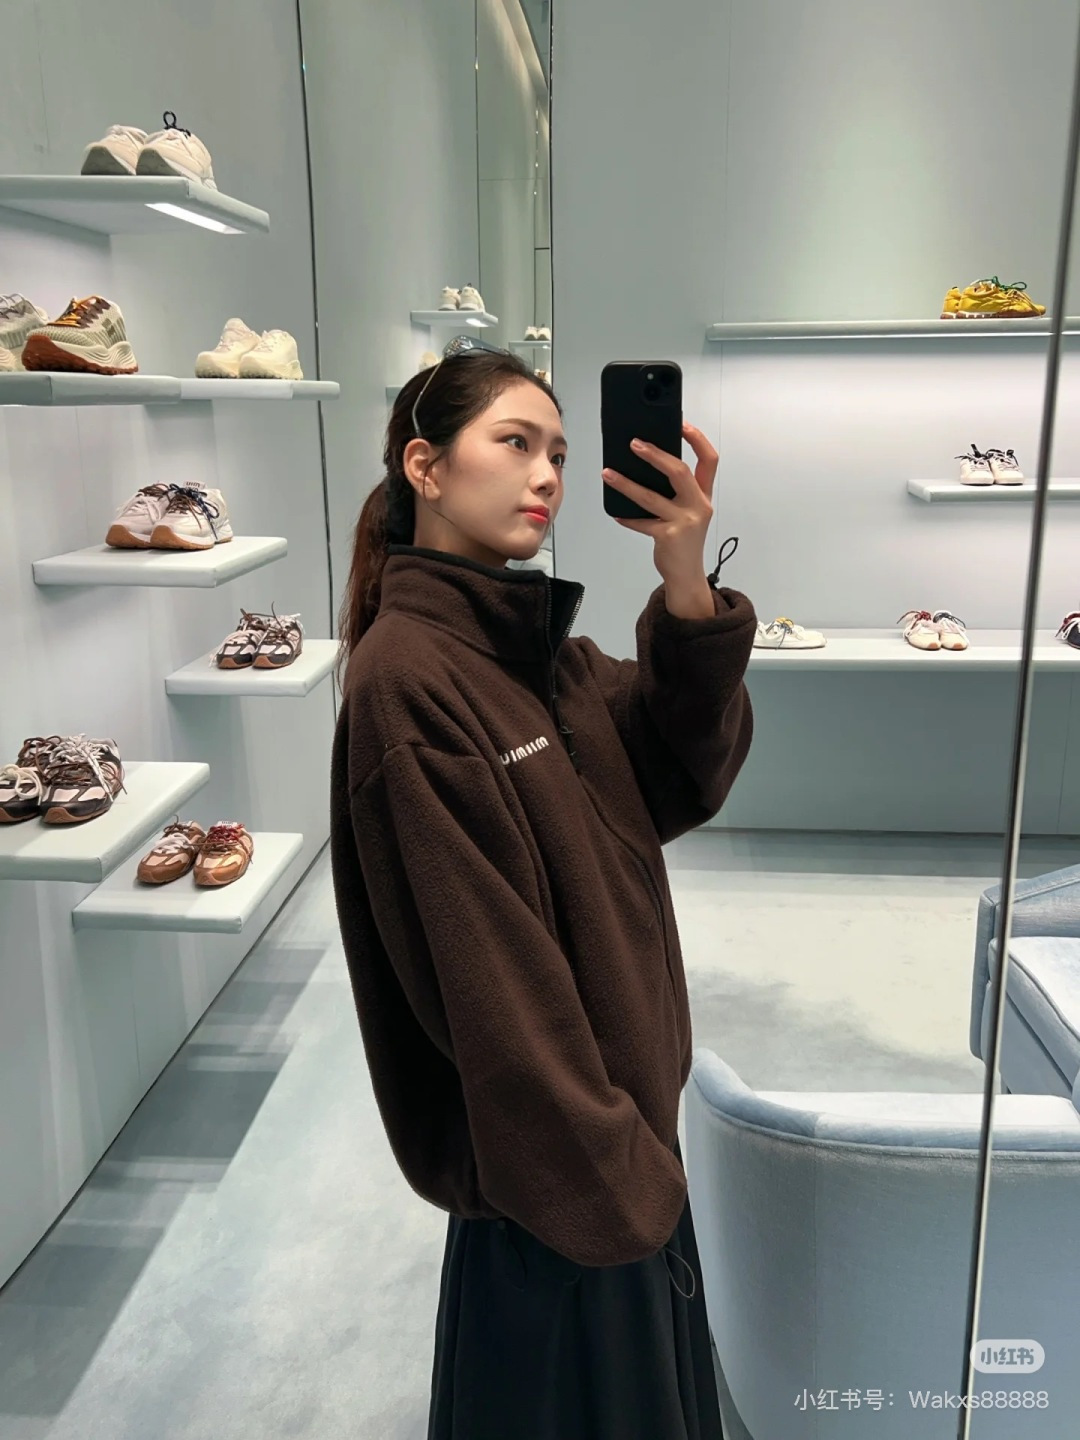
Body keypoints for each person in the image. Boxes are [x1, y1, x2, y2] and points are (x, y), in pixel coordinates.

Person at [329, 340, 757, 1439]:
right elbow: (493, 992)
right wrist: (621, 1184)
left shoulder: (537, 653)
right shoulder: (409, 682)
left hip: (614, 1154)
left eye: (560, 454)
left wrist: (685, 579)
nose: (546, 476)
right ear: (425, 467)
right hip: (568, 1185)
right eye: (514, 442)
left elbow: (680, 771)